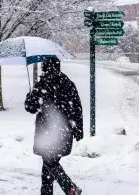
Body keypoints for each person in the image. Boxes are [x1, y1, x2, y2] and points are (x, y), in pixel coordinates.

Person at [24, 56, 83, 195]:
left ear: (44, 68)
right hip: (63, 130)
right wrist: (78, 129)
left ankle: (68, 187)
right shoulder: (68, 83)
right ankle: (49, 191)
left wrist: (29, 98)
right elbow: (77, 108)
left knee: (49, 162)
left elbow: (31, 108)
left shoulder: (42, 84)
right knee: (49, 163)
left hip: (47, 133)